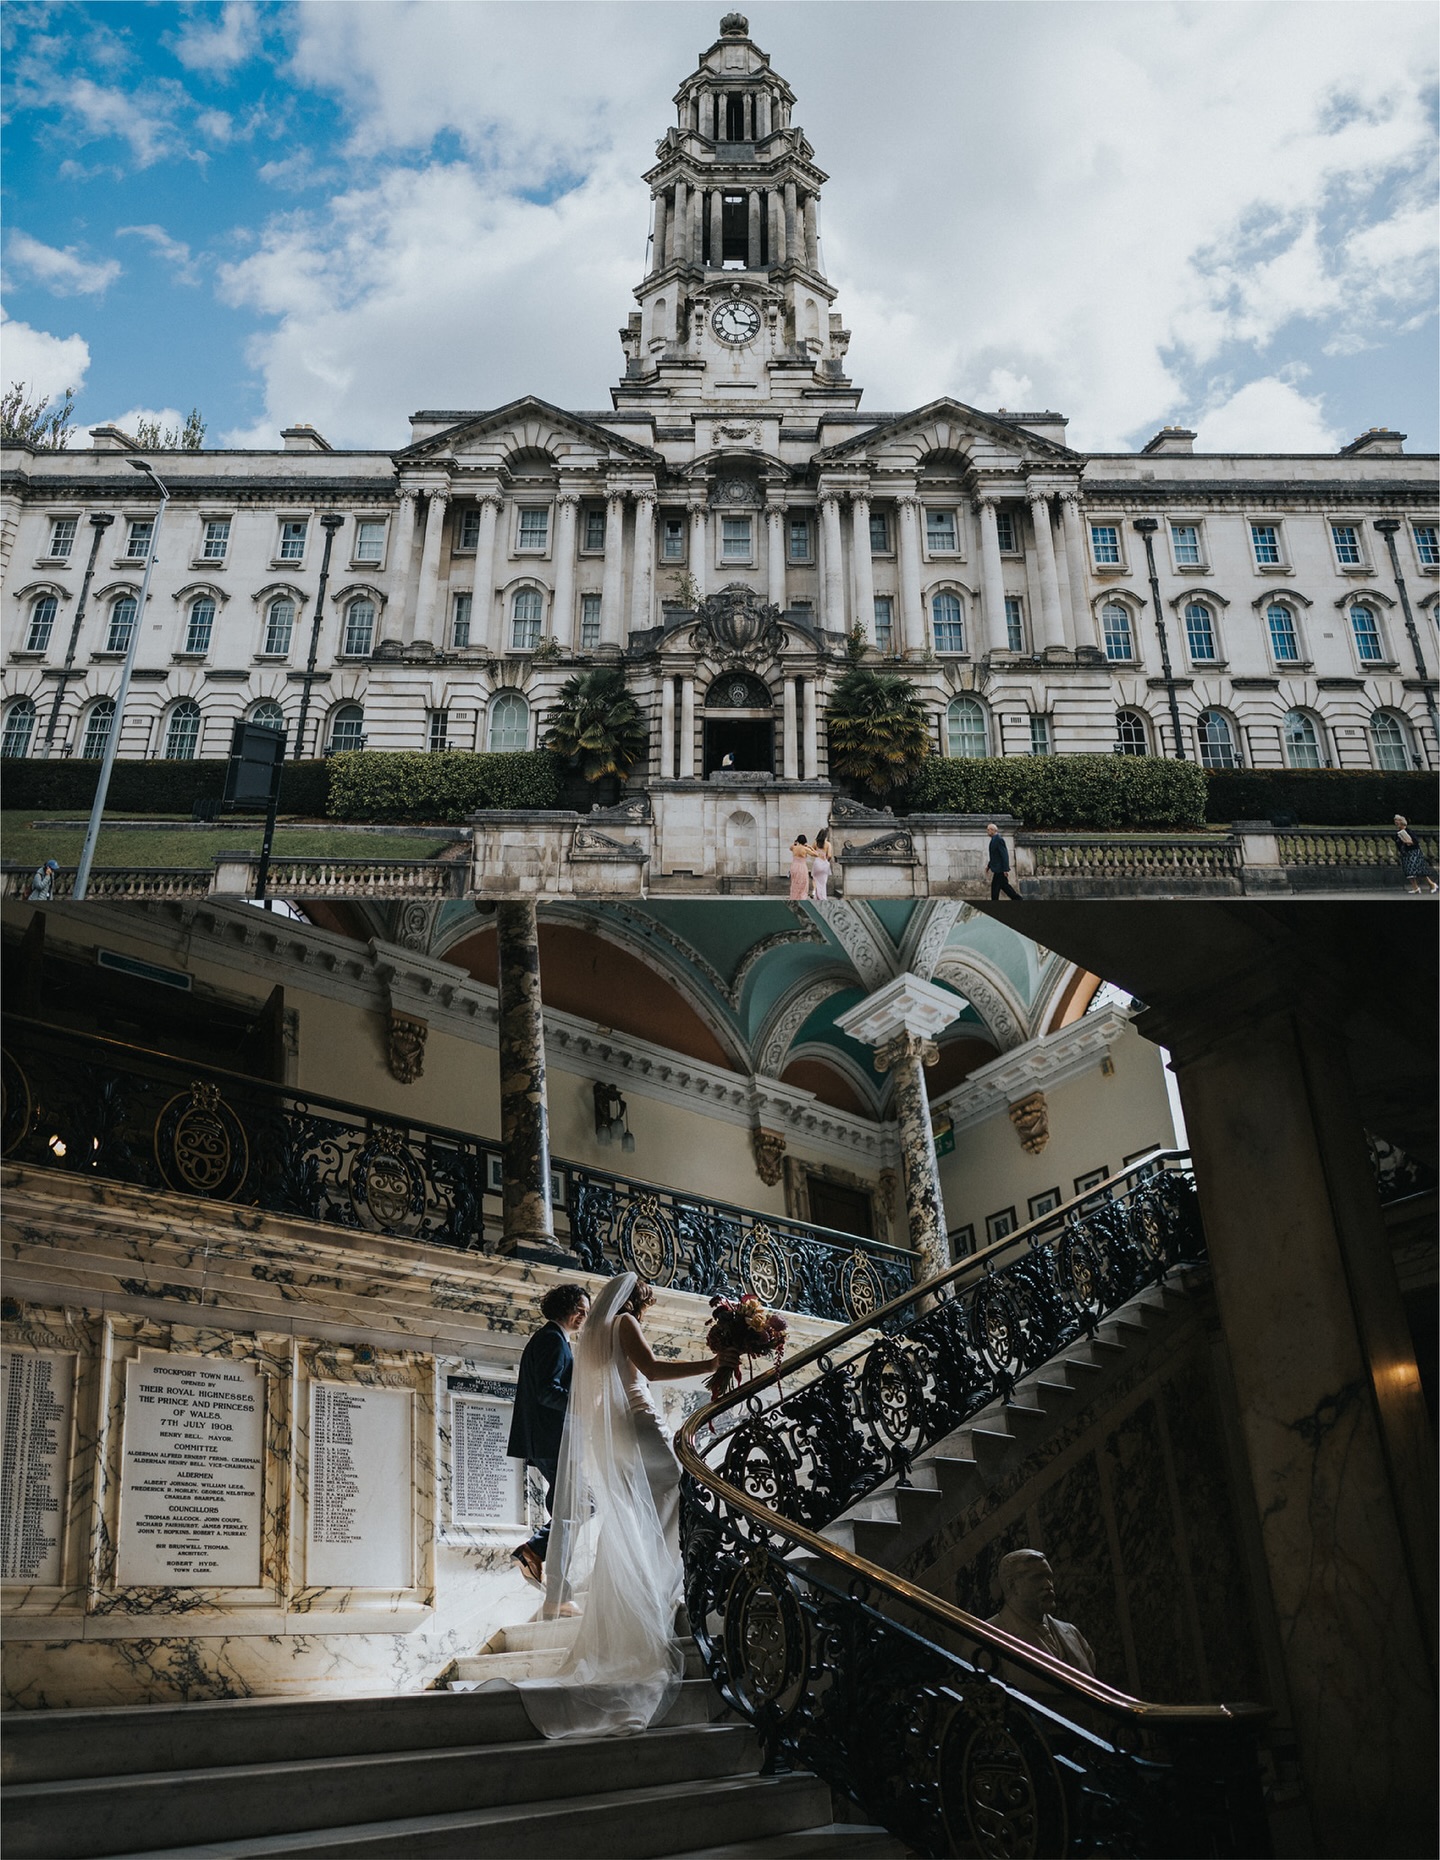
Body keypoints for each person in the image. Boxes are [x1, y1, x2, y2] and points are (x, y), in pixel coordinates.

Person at [518, 1272, 734, 1739]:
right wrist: (712, 1363)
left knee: (644, 1510)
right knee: (678, 1490)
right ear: (637, 1300)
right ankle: (662, 1587)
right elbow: (652, 1372)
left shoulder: (591, 1335)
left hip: (615, 1431)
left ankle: (653, 1586)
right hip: (638, 1421)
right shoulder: (623, 1324)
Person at [507, 1283, 590, 1589]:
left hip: (548, 1439)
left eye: (586, 1312)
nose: (583, 1317)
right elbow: (546, 1391)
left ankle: (544, 1562)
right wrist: (585, 1401)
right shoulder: (553, 1340)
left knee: (571, 1502)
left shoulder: (552, 1338)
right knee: (583, 1502)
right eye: (579, 1310)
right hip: (553, 1439)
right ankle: (536, 1552)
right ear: (563, 1309)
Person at [987, 1549, 1096, 1677]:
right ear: (1012, 1585)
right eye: (1037, 1578)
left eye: (1049, 1577)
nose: (1048, 1585)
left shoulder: (1072, 1632)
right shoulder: (988, 1637)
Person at [1393, 815, 1437, 894]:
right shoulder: (1397, 833)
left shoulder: (1409, 831)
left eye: (1398, 821)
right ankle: (1415, 887)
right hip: (1405, 854)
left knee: (1419, 870)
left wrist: (1409, 842)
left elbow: (1416, 841)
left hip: (1413, 852)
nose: (1396, 822)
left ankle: (1432, 884)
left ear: (1402, 823)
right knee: (1409, 872)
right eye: (1395, 821)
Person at [986, 823, 1021, 902]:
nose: (987, 831)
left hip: (1000, 870)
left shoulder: (999, 839)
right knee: (1005, 887)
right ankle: (1018, 899)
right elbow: (994, 856)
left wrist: (1005, 869)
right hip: (998, 869)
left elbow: (1004, 855)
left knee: (995, 888)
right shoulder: (994, 840)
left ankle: (1018, 899)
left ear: (992, 830)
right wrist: (989, 866)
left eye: (988, 829)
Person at [789, 834, 812, 900]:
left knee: (794, 883)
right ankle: (802, 898)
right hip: (802, 866)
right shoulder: (805, 849)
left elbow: (790, 848)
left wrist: (795, 843)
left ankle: (794, 898)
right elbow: (815, 854)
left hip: (794, 866)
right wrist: (810, 847)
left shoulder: (794, 847)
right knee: (803, 883)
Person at [810, 828, 831, 901]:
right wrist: (826, 860)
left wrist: (817, 854)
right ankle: (822, 896)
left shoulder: (815, 843)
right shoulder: (828, 844)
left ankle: (814, 891)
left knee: (815, 879)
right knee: (823, 881)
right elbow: (830, 855)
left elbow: (811, 852)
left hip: (817, 862)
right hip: (824, 863)